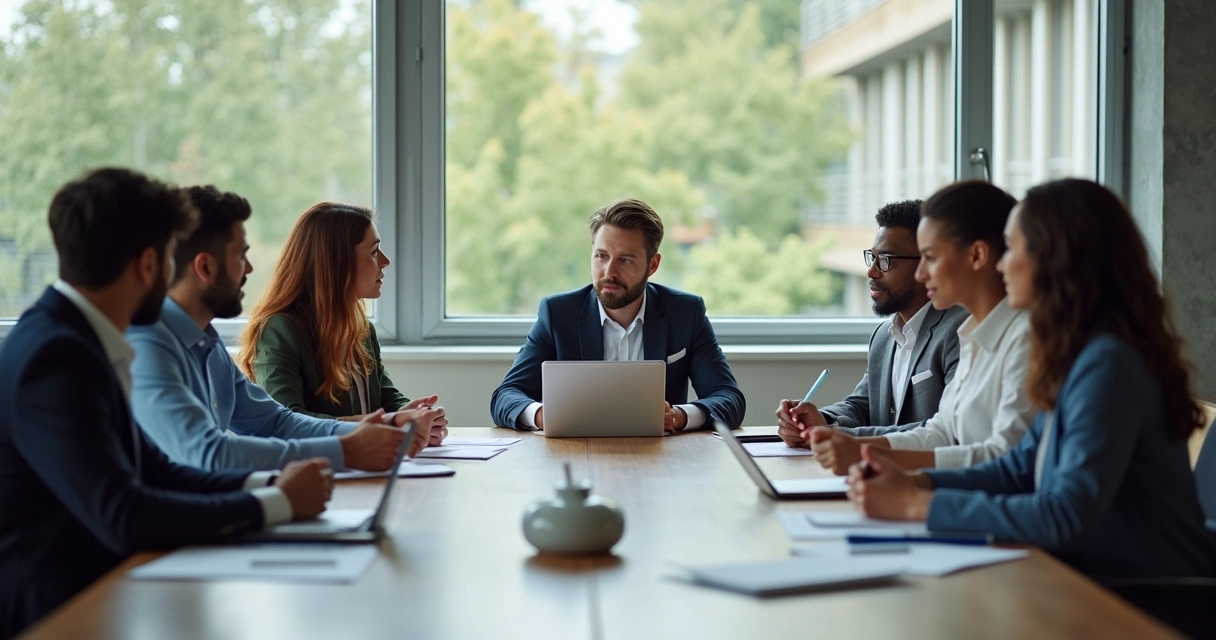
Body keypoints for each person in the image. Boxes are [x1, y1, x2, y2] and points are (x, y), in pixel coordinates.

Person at [0, 169, 333, 637]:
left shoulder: (76, 339)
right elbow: (125, 515)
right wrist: (276, 503)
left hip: (102, 590)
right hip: (57, 613)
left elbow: (156, 470)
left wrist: (273, 481)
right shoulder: (56, 357)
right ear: (149, 265)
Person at [846, 178, 1216, 580]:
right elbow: (1018, 469)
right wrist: (916, 483)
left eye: (1014, 249)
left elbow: (1065, 517)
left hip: (1152, 599)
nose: (1002, 264)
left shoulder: (1109, 363)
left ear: (1056, 259)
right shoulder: (1076, 353)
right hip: (1095, 580)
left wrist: (917, 505)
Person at [128, 187, 442, 473]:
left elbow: (276, 422)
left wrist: (390, 421)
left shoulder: (206, 344)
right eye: (241, 256)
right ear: (206, 267)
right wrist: (347, 449)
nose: (250, 269)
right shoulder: (149, 346)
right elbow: (210, 454)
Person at [792, 180, 1037, 474]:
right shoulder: (971, 333)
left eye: (931, 257)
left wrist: (905, 488)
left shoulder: (1022, 339)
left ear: (976, 256)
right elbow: (941, 432)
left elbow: (1007, 462)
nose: (923, 272)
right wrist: (836, 432)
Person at [490, 198, 745, 431]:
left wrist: (679, 416)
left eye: (625, 260)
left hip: (662, 462)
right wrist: (542, 415)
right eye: (601, 256)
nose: (608, 272)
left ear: (652, 265)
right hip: (576, 458)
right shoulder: (558, 314)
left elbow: (729, 399)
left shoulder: (686, 314)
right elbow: (506, 396)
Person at [237, 203, 445, 438]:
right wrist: (389, 423)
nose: (386, 261)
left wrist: (416, 417)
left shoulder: (362, 328)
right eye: (374, 251)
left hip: (366, 463)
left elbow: (386, 399)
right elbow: (285, 420)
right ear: (338, 262)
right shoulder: (280, 330)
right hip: (316, 468)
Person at [775, 200, 968, 440]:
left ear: (926, 263)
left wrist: (841, 436)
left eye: (886, 259)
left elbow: (944, 430)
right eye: (872, 257)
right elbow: (862, 405)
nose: (872, 271)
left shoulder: (960, 330)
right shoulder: (883, 337)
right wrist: (821, 420)